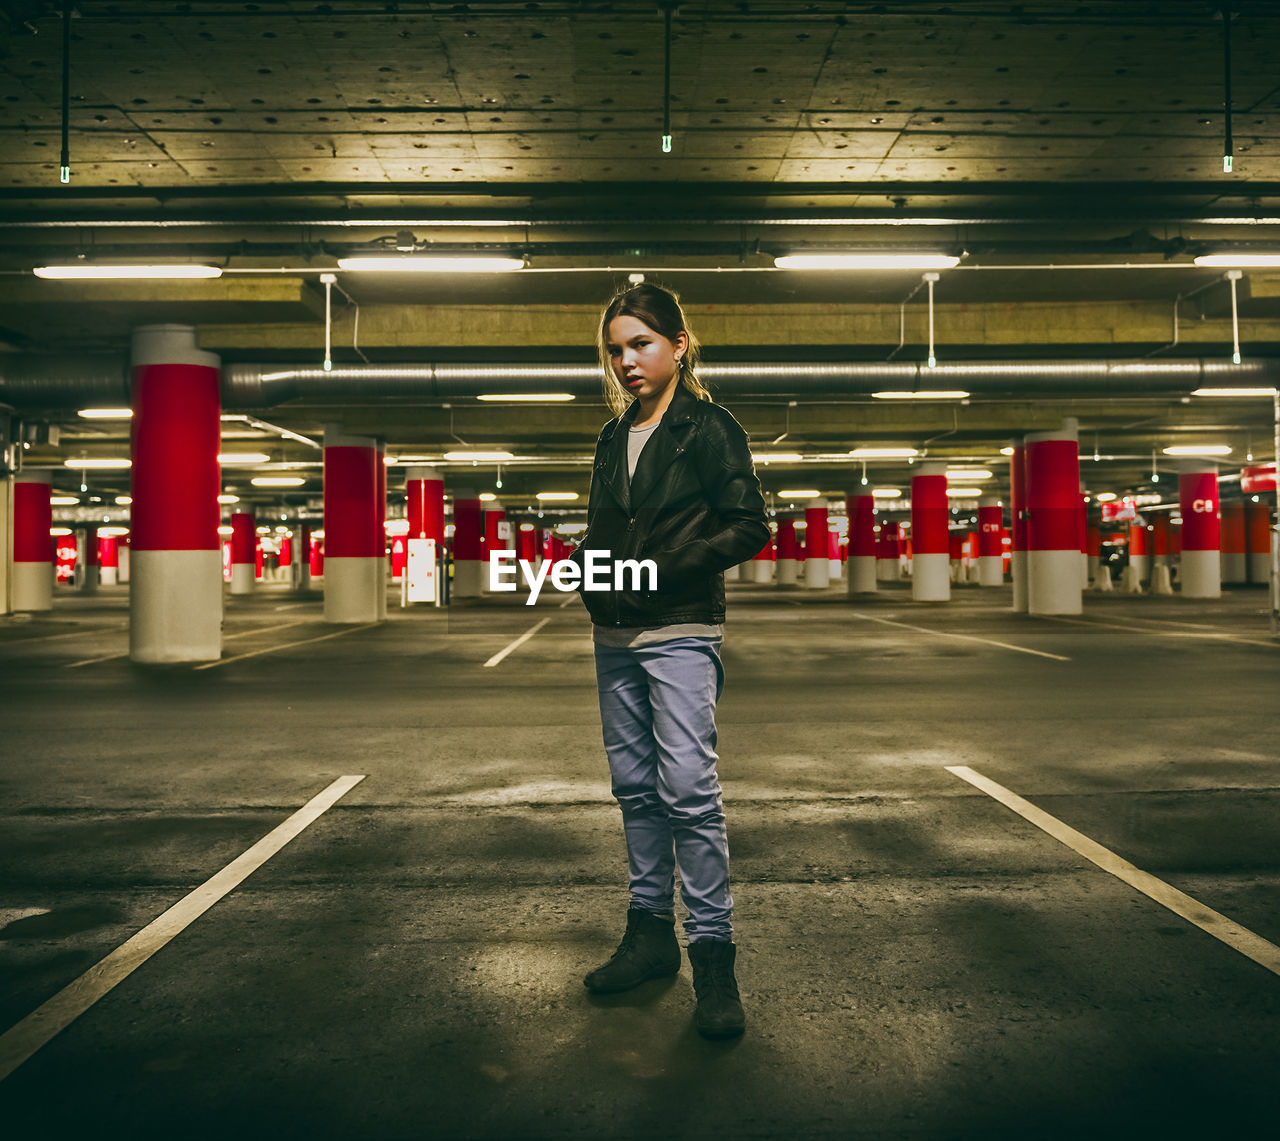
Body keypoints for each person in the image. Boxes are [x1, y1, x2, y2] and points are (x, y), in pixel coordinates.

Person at [573, 282, 769, 1039]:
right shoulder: (609, 437)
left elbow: (749, 524)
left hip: (682, 628)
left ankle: (714, 960)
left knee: (688, 789)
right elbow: (602, 532)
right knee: (634, 789)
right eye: (617, 348)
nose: (627, 360)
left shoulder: (710, 427)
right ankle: (651, 937)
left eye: (642, 344)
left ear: (679, 345)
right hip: (614, 637)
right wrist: (590, 575)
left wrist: (665, 568)